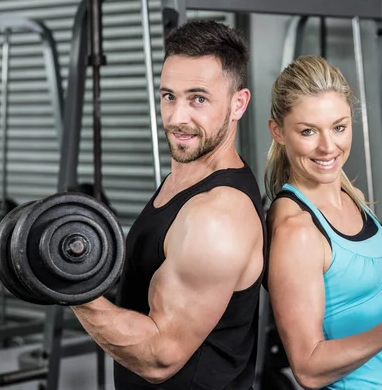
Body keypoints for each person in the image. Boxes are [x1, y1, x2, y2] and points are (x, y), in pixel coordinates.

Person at [70, 20, 266, 390]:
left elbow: (161, 356)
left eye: (198, 99)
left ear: (238, 104)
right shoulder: (184, 180)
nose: (177, 118)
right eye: (168, 96)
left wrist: (68, 289)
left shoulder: (217, 215)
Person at [264, 55, 382, 390]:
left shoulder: (352, 196)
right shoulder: (297, 230)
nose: (328, 147)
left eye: (339, 127)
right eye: (308, 131)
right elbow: (308, 368)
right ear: (278, 132)